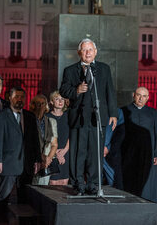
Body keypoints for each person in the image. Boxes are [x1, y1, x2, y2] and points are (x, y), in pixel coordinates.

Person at [59, 38, 118, 195]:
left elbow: (109, 92)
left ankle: (93, 184)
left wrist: (113, 113)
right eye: (84, 50)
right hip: (78, 119)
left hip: (97, 118)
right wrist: (77, 90)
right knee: (79, 153)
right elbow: (64, 90)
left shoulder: (104, 69)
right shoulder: (70, 70)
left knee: (95, 153)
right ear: (79, 52)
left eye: (90, 50)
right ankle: (78, 184)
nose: (87, 53)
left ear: (95, 52)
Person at [0, 87, 40, 219]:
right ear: (10, 98)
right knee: (2, 198)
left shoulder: (30, 116)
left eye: (22, 97)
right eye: (17, 96)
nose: (20, 99)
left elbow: (35, 140)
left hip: (26, 165)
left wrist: (37, 160)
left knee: (25, 202)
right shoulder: (0, 116)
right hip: (7, 164)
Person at [121, 87, 157, 203]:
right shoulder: (124, 110)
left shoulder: (152, 112)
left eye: (144, 96)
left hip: (148, 154)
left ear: (148, 98)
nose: (141, 98)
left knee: (148, 182)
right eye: (139, 95)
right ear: (134, 95)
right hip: (129, 153)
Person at [29, 94, 58, 185]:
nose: (40, 106)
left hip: (46, 162)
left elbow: (54, 144)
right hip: (31, 160)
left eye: (43, 103)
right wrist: (41, 157)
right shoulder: (28, 119)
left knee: (42, 189)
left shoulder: (51, 121)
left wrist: (48, 159)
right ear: (33, 105)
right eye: (38, 103)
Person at [47, 91, 70, 185]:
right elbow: (45, 138)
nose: (60, 101)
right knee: (53, 183)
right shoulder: (46, 117)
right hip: (51, 154)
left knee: (64, 182)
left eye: (62, 99)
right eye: (57, 99)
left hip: (66, 153)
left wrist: (64, 151)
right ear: (52, 102)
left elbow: (72, 136)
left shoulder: (68, 116)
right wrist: (56, 153)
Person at [103, 107, 125, 189]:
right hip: (93, 152)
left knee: (114, 183)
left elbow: (120, 133)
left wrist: (108, 148)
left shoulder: (117, 111)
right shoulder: (92, 108)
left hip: (110, 154)